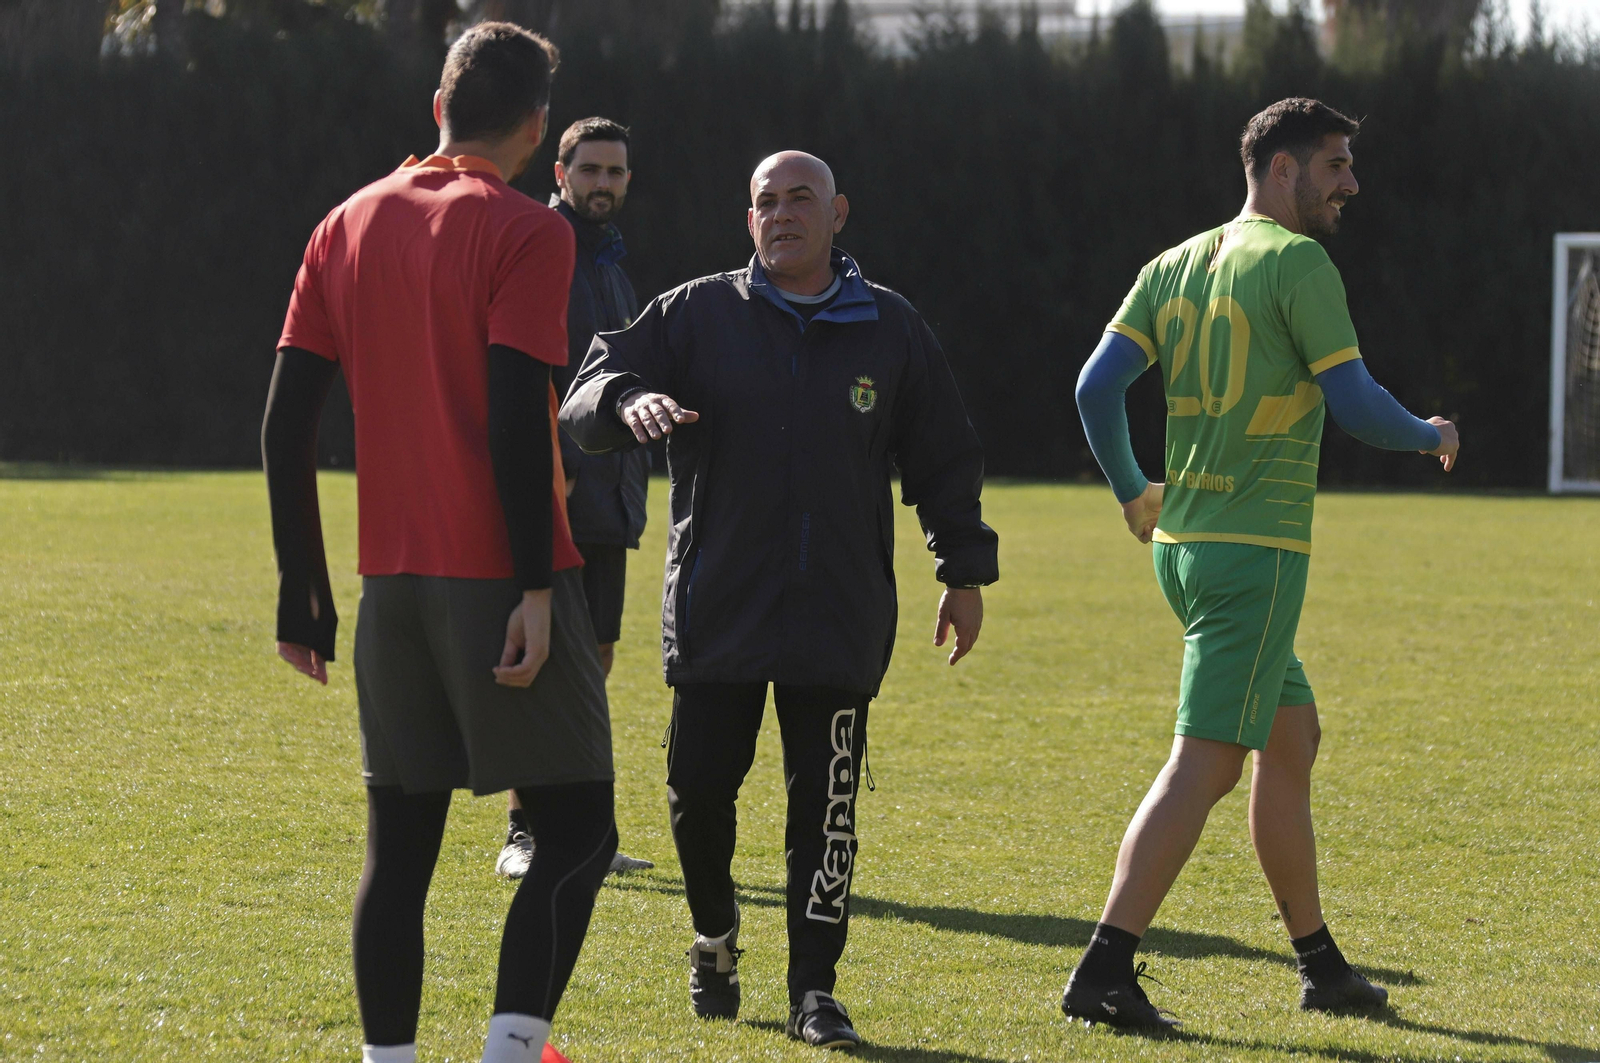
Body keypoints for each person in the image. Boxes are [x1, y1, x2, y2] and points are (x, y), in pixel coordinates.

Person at [560, 150, 999, 1050]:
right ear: (748, 218)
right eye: (767, 200)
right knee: (697, 792)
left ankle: (815, 990)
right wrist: (626, 399)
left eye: (802, 198)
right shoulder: (697, 311)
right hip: (719, 605)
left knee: (826, 808)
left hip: (838, 613)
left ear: (840, 214)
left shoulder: (891, 326)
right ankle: (715, 937)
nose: (783, 213)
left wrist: (962, 570)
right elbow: (587, 386)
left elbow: (942, 455)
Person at [1065, 97, 1460, 1031]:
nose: (1350, 183)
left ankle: (1319, 964)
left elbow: (1095, 386)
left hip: (1188, 548)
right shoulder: (1298, 262)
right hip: (1256, 554)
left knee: (1292, 737)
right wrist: (1429, 433)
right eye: (1334, 164)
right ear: (1280, 169)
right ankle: (1103, 971)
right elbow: (1355, 402)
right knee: (1204, 763)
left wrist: (1133, 490)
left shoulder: (1175, 263)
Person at [262, 24, 616, 1063]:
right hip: (500, 575)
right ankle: (510, 1053)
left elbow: (287, 423)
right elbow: (516, 416)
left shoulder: (344, 222)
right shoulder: (527, 231)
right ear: (538, 126)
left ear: (437, 107)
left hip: (391, 587)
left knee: (402, 847)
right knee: (581, 833)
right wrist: (537, 587)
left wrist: (302, 589)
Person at [496, 116, 653, 881]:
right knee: (543, 658)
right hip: (554, 496)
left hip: (611, 501)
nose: (603, 184)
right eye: (589, 170)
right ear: (559, 172)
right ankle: (525, 831)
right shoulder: (539, 248)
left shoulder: (614, 266)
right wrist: (542, 468)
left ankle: (581, 830)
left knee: (594, 662)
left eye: (616, 172)